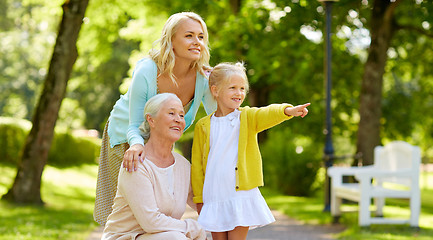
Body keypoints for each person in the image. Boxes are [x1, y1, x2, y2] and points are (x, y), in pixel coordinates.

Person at [94, 12, 216, 225]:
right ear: (171, 40)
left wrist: (220, 85)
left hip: (160, 142)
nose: (197, 42)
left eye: (201, 37)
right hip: (127, 138)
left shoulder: (203, 79)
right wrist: (135, 145)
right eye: (189, 36)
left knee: (156, 208)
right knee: (125, 214)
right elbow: (134, 124)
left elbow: (220, 117)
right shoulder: (148, 70)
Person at [191, 62, 310, 240]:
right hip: (214, 195)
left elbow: (267, 113)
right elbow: (197, 165)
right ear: (215, 91)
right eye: (232, 88)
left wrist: (288, 110)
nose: (239, 93)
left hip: (240, 195)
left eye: (242, 88)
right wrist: (199, 197)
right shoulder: (203, 125)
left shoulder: (247, 117)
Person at [102, 93, 206, 240]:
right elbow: (151, 222)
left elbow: (200, 201)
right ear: (151, 120)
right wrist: (193, 227)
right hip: (126, 237)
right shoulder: (136, 163)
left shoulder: (183, 165)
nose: (178, 119)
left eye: (182, 116)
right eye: (171, 113)